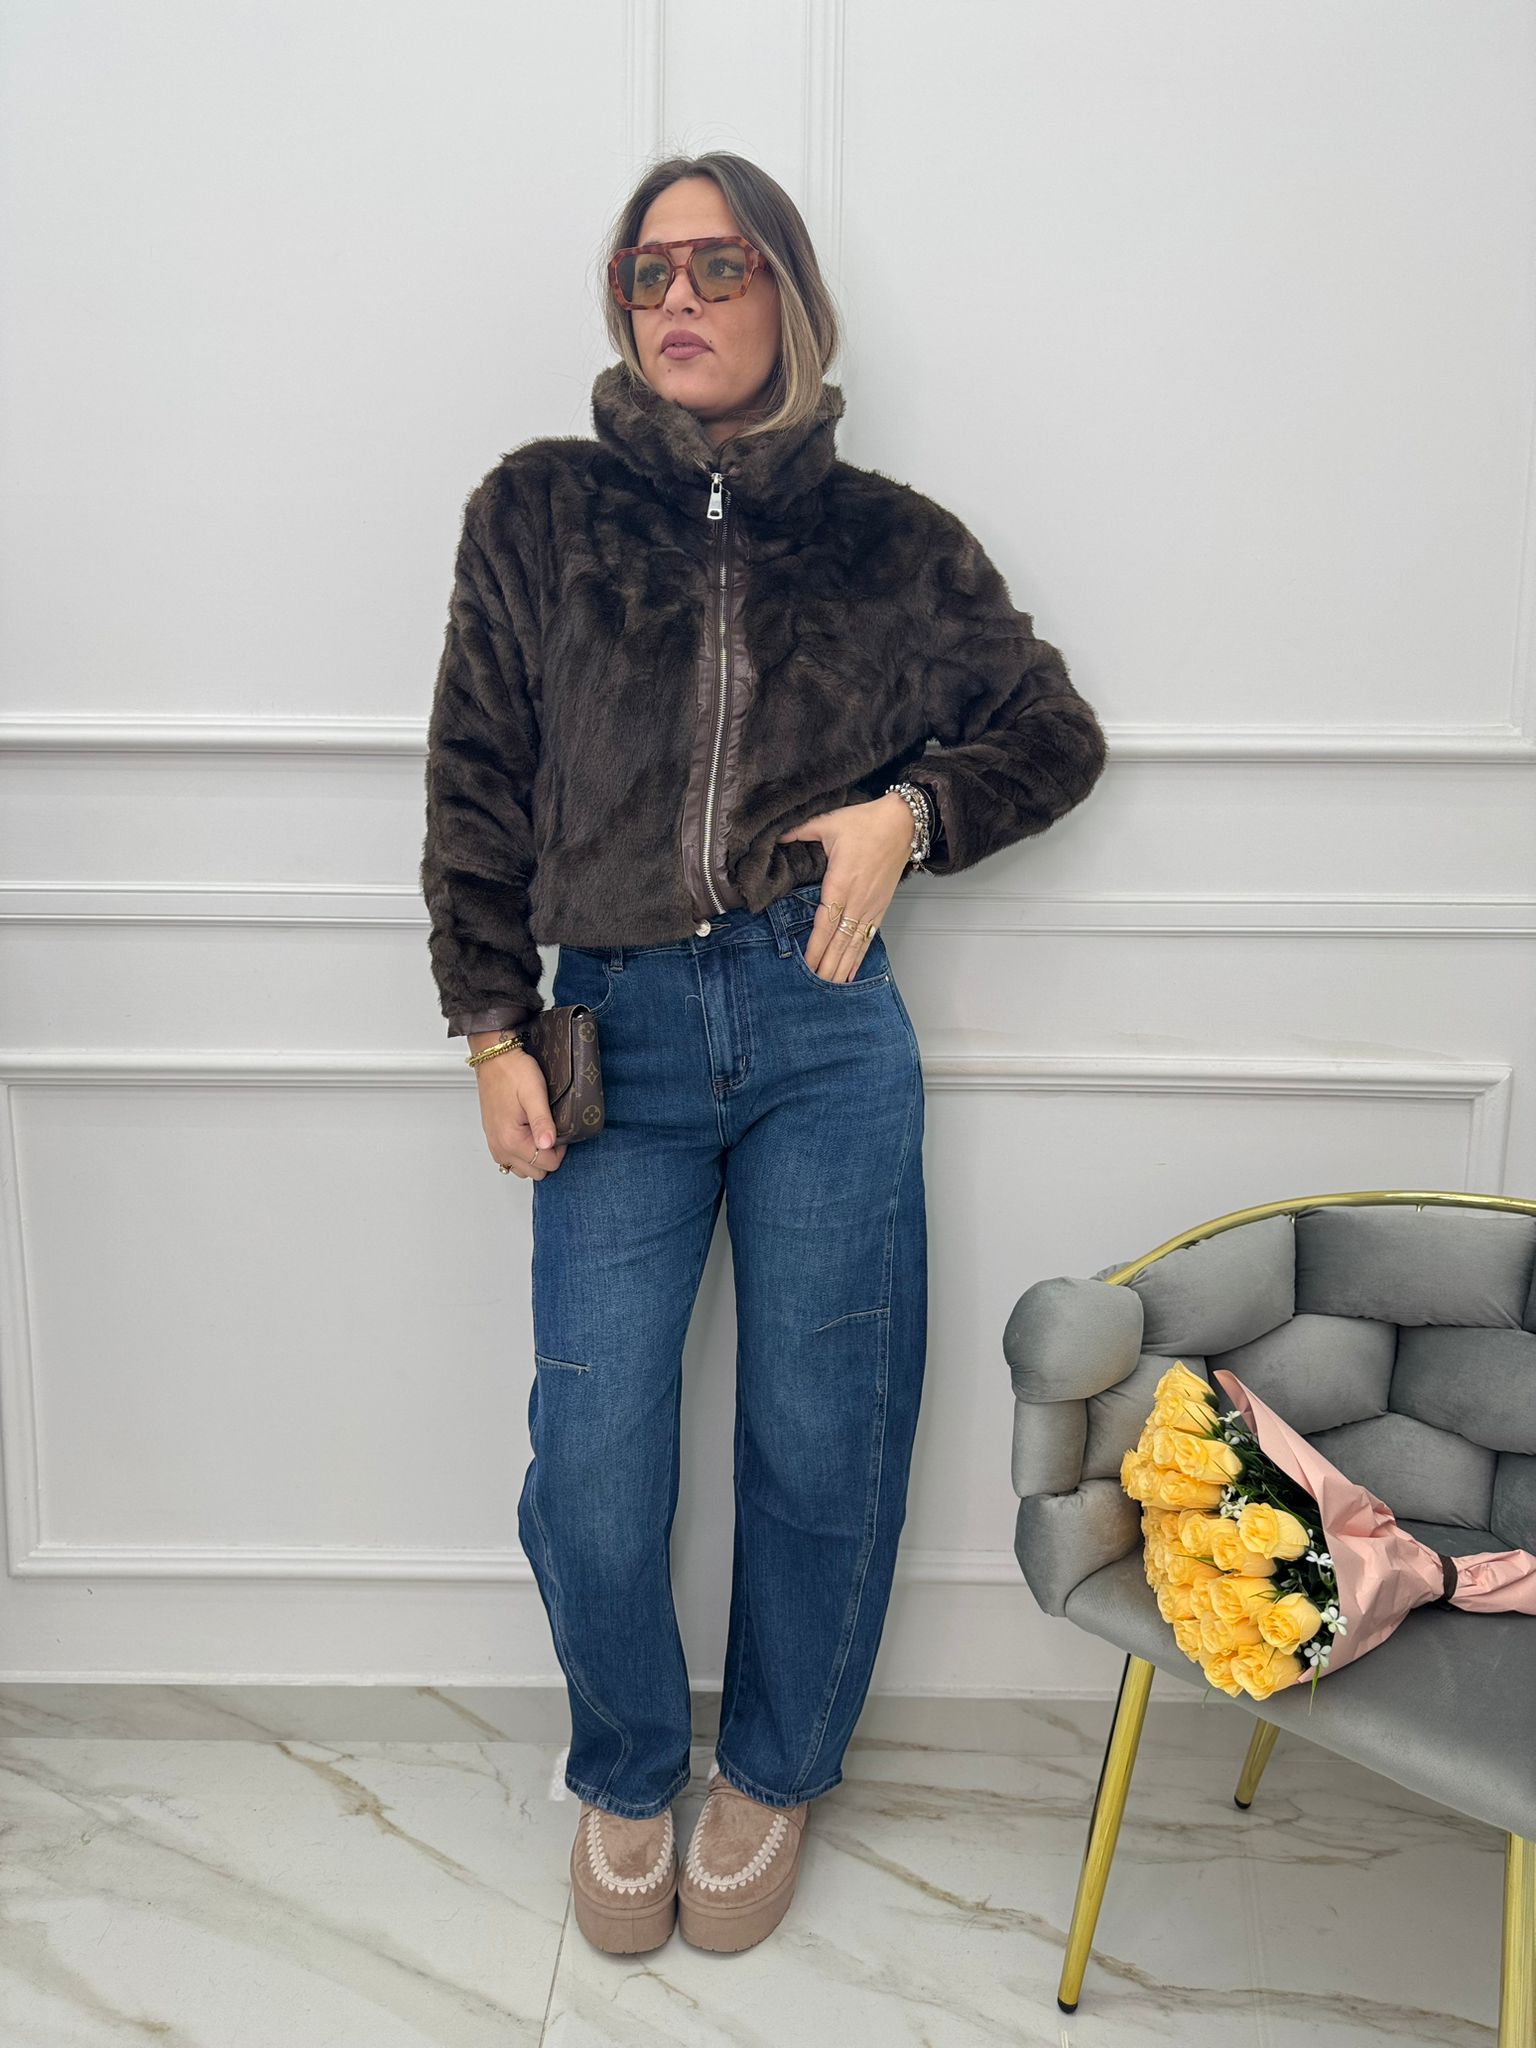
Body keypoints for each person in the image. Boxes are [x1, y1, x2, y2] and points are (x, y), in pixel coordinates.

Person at [420, 151, 1107, 1957]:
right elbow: (476, 779)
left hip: (822, 1022)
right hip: (610, 1026)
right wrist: (487, 1022)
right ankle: (628, 1764)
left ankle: (779, 1769)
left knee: (825, 1431)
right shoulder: (537, 512)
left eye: (719, 267)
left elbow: (1054, 732)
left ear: (788, 294)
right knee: (592, 1448)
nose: (678, 299)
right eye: (647, 271)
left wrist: (910, 817)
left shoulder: (894, 542)